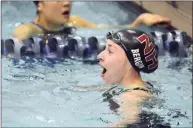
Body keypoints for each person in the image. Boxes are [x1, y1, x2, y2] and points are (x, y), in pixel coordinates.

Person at [98, 29, 170, 127]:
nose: (100, 56)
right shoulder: (143, 85)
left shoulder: (131, 96)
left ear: (131, 62)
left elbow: (131, 120)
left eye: (110, 51)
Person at [12, 1, 171, 40]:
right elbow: (19, 35)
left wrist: (139, 22)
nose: (67, 3)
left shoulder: (75, 22)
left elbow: (107, 29)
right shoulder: (31, 29)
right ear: (40, 5)